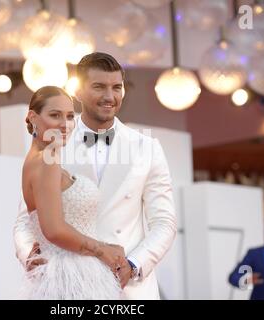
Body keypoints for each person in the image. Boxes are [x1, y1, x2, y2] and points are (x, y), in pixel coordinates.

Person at [14, 52, 177, 299]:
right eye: (99, 87)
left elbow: (164, 223)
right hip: (69, 286)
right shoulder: (55, 141)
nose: (109, 97)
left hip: (129, 289)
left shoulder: (147, 148)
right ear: (78, 91)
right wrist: (29, 254)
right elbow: (27, 218)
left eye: (117, 87)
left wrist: (132, 266)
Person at [19, 85, 124, 299]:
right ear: (33, 117)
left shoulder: (38, 160)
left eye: (69, 116)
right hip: (72, 277)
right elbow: (54, 230)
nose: (65, 124)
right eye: (55, 115)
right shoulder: (47, 159)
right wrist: (103, 251)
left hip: (67, 274)